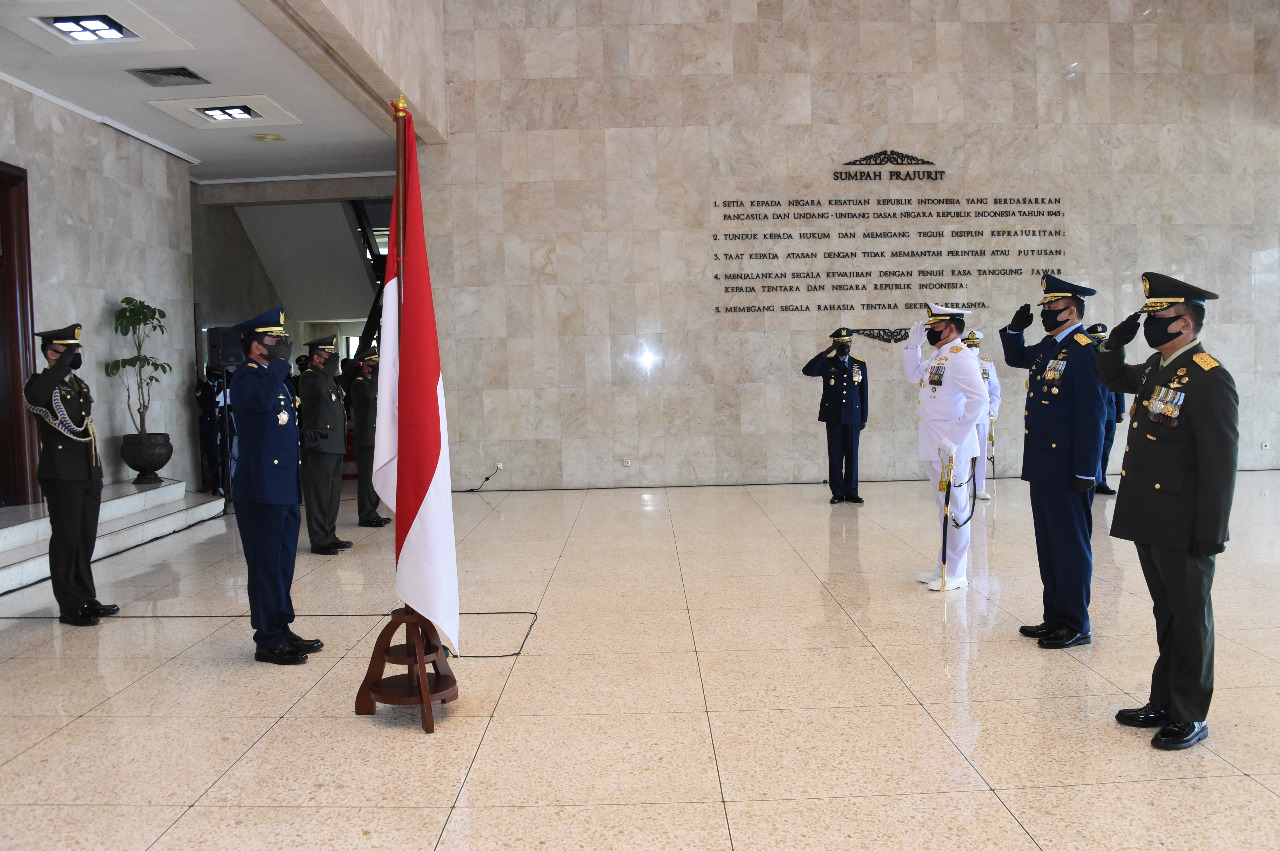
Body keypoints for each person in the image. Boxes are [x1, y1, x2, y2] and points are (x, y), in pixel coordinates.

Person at [1096, 273, 1238, 751]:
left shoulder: (1207, 374)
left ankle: (1191, 714)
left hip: (1184, 521)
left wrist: (1212, 531)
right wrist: (1113, 344)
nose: (1150, 326)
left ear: (1185, 322)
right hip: (1151, 514)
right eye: (1147, 319)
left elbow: (1220, 462)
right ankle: (1164, 701)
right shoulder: (1159, 367)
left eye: (1157, 319)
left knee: (1190, 615)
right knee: (1167, 613)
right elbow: (1113, 378)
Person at [1000, 275, 1110, 649]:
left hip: (1069, 469)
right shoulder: (1051, 345)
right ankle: (1054, 617)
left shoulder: (1085, 350)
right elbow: (1016, 357)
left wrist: (1085, 470)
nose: (1045, 313)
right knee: (1049, 546)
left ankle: (1076, 622)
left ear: (1072, 311)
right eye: (1045, 307)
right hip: (1044, 465)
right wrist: (1014, 331)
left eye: (1051, 308)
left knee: (1071, 547)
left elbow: (1093, 416)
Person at [228, 308, 322, 665]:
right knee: (266, 564)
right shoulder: (247, 378)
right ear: (255, 347)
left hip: (282, 486)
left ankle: (281, 628)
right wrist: (281, 367)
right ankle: (267, 639)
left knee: (283, 563)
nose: (282, 345)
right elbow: (261, 404)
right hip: (260, 488)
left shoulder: (273, 376)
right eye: (274, 340)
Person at [23, 324, 116, 627]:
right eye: (69, 351)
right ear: (52, 353)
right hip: (61, 473)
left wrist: (96, 472)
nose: (76, 356)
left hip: (87, 471)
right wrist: (59, 366)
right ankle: (69, 606)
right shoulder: (40, 384)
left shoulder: (79, 386)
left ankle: (86, 597)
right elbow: (37, 397)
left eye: (76, 351)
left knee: (85, 536)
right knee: (66, 538)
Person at [903, 305, 986, 591]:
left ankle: (957, 573)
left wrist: (956, 438)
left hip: (952, 447)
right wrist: (911, 347)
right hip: (935, 444)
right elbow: (914, 375)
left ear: (950, 329)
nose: (930, 331)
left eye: (935, 326)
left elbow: (980, 401)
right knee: (944, 507)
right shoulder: (940, 356)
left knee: (956, 508)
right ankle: (944, 565)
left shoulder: (961, 357)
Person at [297, 335, 352, 556]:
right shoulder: (310, 377)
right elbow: (318, 393)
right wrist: (327, 370)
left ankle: (330, 534)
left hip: (334, 444)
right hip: (319, 445)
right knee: (319, 495)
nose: (333, 361)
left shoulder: (329, 378)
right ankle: (319, 540)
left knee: (331, 494)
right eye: (329, 356)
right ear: (317, 356)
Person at [802, 328, 869, 504]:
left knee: (852, 455)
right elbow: (807, 370)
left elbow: (864, 392)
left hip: (853, 415)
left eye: (847, 342)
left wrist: (864, 417)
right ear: (834, 343)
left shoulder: (859, 364)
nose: (844, 346)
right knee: (836, 454)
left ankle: (852, 491)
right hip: (833, 416)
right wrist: (827, 352)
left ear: (851, 344)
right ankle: (838, 492)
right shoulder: (827, 362)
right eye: (840, 343)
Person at [350, 347, 390, 527]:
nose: (374, 367)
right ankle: (366, 514)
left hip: (375, 437)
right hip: (365, 438)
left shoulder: (372, 382)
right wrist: (375, 378)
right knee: (366, 479)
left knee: (374, 477)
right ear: (365, 366)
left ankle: (373, 511)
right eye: (372, 364)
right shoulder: (360, 383)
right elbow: (368, 399)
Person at [1086, 323, 1125, 495]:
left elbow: (1118, 383)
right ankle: (1092, 479)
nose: (1099, 342)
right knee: (1093, 446)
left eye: (1101, 339)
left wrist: (1120, 409)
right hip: (1093, 413)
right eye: (1096, 339)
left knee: (1105, 447)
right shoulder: (1085, 359)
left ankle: (1101, 481)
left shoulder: (1110, 358)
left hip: (1109, 411)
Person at [963, 330, 1001, 500]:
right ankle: (962, 485)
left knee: (980, 452)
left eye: (976, 345)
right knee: (962, 453)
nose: (973, 348)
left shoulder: (987, 365)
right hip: (962, 416)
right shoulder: (958, 364)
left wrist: (993, 410)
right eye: (970, 345)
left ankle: (979, 487)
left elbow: (995, 390)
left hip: (982, 416)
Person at [195, 366, 222, 495]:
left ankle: (226, 483)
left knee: (224, 452)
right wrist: (215, 403)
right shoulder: (202, 387)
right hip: (209, 424)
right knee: (212, 456)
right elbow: (202, 404)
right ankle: (215, 484)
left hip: (222, 423)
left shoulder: (223, 386)